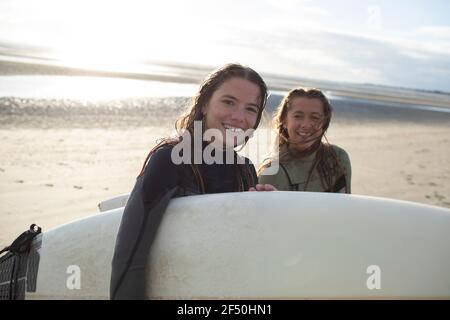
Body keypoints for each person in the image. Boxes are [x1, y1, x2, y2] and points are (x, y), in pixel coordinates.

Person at [110, 63, 275, 300]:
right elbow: (130, 256)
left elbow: (239, 252)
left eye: (250, 108)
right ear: (205, 103)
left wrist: (268, 212)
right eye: (228, 102)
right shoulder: (170, 159)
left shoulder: (246, 170)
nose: (239, 117)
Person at [258, 88, 351, 193]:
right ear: (284, 121)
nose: (306, 125)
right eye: (298, 116)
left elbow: (345, 205)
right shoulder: (273, 172)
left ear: (324, 122)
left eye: (315, 117)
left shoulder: (338, 157)